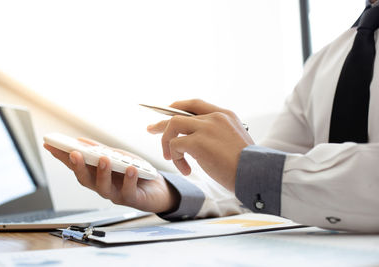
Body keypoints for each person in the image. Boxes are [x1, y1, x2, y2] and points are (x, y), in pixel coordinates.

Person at [44, 0, 379, 232]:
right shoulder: (324, 61)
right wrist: (169, 190)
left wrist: (248, 166)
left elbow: (269, 174)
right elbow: (276, 168)